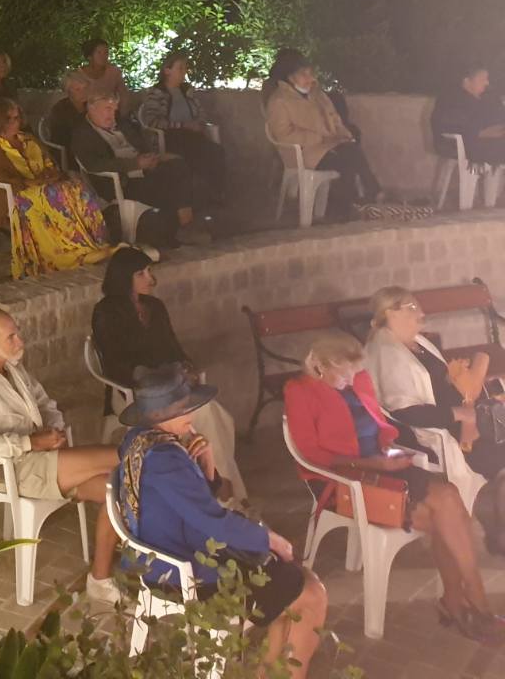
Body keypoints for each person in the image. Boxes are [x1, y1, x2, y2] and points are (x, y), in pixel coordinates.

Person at [287, 331, 505, 643]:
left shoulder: (359, 379)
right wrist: (374, 463)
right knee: (446, 515)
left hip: (383, 467)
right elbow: (311, 454)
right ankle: (468, 603)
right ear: (320, 366)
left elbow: (380, 424)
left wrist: (391, 449)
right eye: (344, 373)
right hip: (344, 479)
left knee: (448, 499)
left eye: (355, 372)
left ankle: (462, 601)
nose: (351, 380)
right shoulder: (299, 390)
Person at [123, 366, 329, 669]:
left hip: (167, 553)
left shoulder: (139, 440)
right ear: (160, 414)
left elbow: (190, 503)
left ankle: (269, 672)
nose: (193, 412)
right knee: (311, 593)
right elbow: (211, 521)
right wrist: (269, 539)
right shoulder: (166, 459)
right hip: (182, 572)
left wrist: (206, 464)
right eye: (183, 408)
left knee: (292, 578)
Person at [0, 307, 122, 606]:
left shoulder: (12, 368)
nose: (20, 341)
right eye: (11, 336)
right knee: (123, 456)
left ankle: (100, 579)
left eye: (17, 333)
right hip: (9, 469)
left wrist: (54, 428)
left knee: (117, 486)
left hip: (38, 459)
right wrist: (30, 442)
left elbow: (44, 402)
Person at [91, 248, 247, 501]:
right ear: (123, 277)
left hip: (170, 389)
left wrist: (185, 366)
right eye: (141, 273)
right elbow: (113, 363)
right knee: (208, 415)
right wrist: (149, 378)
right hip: (135, 393)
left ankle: (224, 493)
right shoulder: (106, 311)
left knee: (219, 417)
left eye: (149, 271)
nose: (150, 279)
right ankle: (228, 498)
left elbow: (173, 347)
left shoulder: (155, 307)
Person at [363, 286, 503, 545]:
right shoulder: (387, 353)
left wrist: (462, 382)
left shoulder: (417, 342)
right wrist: (460, 413)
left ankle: (498, 531)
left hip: (464, 421)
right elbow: (405, 412)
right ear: (390, 313)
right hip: (441, 433)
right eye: (412, 308)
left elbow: (440, 385)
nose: (421, 312)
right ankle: (499, 533)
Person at [0, 97, 114, 279]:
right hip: (17, 195)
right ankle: (70, 253)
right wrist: (28, 183)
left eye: (17, 118)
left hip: (43, 187)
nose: (15, 122)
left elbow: (50, 164)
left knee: (76, 188)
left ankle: (93, 242)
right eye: (9, 119)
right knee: (52, 195)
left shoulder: (29, 140)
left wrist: (49, 176)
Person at [72, 93, 211, 245]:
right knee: (175, 183)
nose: (112, 114)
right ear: (92, 109)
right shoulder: (83, 134)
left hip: (143, 169)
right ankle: (186, 227)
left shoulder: (121, 124)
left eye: (114, 109)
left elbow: (141, 144)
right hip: (122, 181)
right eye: (108, 109)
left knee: (178, 164)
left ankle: (186, 226)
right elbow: (95, 164)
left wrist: (153, 157)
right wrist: (135, 164)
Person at [264, 56, 384, 220]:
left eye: (310, 73)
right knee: (349, 158)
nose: (310, 79)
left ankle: (352, 203)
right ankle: (365, 196)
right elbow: (283, 134)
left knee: (350, 150)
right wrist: (317, 138)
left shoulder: (317, 95)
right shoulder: (279, 101)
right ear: (290, 77)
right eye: (304, 74)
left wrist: (343, 134)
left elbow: (334, 118)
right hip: (304, 153)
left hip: (328, 146)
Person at [136, 51, 226, 205]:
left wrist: (199, 123)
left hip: (193, 136)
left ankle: (216, 193)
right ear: (167, 70)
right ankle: (192, 199)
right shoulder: (157, 93)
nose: (184, 72)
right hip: (172, 137)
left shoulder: (187, 92)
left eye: (185, 68)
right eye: (180, 68)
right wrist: (182, 125)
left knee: (216, 151)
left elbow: (200, 112)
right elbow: (152, 121)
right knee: (193, 153)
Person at [432, 64, 505, 168]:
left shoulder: (484, 97)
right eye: (482, 79)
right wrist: (482, 133)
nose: (487, 83)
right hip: (460, 146)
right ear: (467, 81)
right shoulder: (451, 99)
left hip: (485, 142)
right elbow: (449, 125)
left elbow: (497, 117)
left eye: (487, 79)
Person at [44, 71, 91, 159]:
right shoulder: (60, 109)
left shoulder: (92, 105)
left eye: (85, 88)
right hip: (68, 153)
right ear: (68, 91)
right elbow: (62, 139)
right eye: (78, 89)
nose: (83, 92)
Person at [80, 38, 128, 105]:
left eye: (106, 52)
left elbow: (123, 96)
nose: (103, 56)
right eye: (99, 53)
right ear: (89, 56)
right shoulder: (78, 76)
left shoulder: (114, 72)